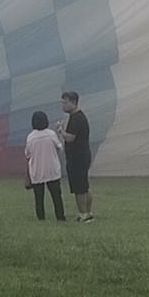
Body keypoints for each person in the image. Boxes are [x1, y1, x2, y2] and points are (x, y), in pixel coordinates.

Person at [58, 91, 94, 222]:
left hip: (77, 157)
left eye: (65, 103)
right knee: (84, 185)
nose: (63, 106)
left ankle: (83, 214)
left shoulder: (77, 118)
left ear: (73, 102)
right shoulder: (77, 117)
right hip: (82, 155)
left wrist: (61, 130)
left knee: (79, 187)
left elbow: (70, 138)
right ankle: (88, 212)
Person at [25, 111, 66, 221]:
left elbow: (28, 154)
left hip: (37, 171)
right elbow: (60, 147)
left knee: (38, 197)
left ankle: (41, 217)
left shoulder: (30, 137)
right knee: (56, 196)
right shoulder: (51, 134)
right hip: (52, 170)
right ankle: (60, 217)